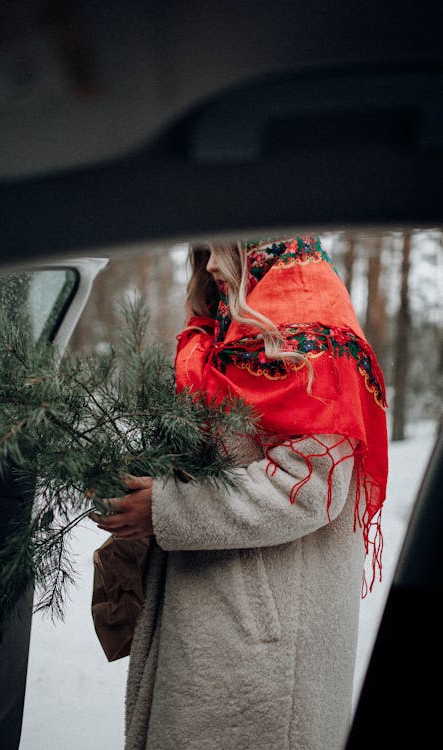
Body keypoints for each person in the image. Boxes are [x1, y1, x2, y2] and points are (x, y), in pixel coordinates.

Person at [91, 236, 389, 750]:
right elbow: (230, 456)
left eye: (219, 250)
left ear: (259, 247)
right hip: (218, 620)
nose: (207, 267)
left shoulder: (317, 338)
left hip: (264, 651)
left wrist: (164, 508)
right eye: (200, 252)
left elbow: (309, 488)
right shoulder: (225, 337)